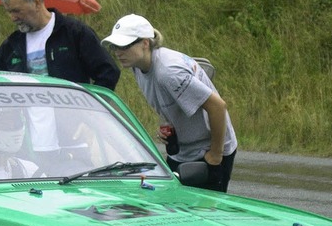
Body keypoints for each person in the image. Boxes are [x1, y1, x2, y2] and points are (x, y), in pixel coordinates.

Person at [102, 14, 238, 192]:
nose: (118, 52)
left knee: (203, 212)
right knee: (173, 207)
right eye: (114, 46)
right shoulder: (137, 66)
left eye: (124, 46)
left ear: (145, 43)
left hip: (208, 150)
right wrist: (170, 127)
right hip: (184, 151)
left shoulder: (168, 72)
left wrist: (215, 155)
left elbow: (218, 107)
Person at [0, 0, 120, 90]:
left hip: (70, 119)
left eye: (17, 11)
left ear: (37, 3)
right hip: (27, 121)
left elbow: (108, 73)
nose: (12, 18)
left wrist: (89, 114)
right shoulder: (13, 43)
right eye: (9, 12)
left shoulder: (74, 32)